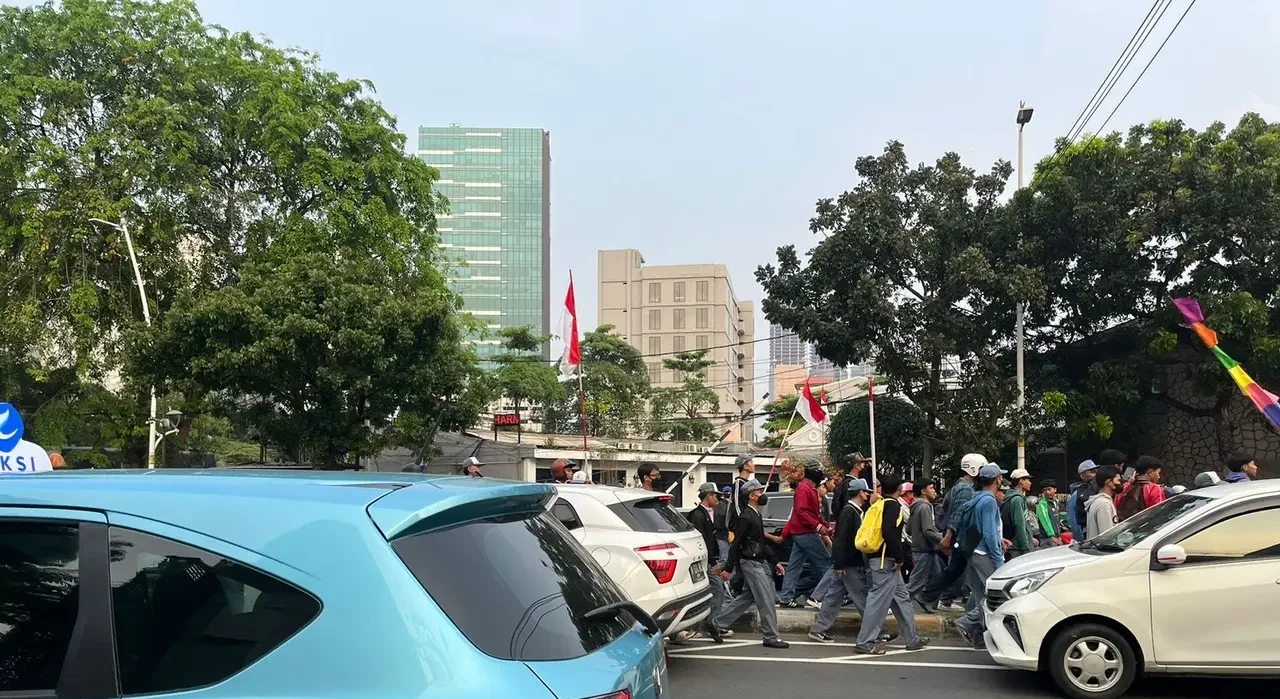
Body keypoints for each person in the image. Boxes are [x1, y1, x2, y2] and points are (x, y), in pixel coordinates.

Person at [853, 473, 929, 655]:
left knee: (902, 599)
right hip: (886, 561)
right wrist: (899, 558)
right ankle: (865, 641)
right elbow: (889, 532)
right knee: (877, 603)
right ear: (900, 489)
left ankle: (912, 638)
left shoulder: (878, 504)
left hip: (880, 559)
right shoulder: (892, 505)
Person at [715, 480, 789, 649]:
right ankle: (770, 636)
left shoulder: (755, 514)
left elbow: (760, 542)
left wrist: (774, 560)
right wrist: (728, 568)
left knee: (747, 598)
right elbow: (737, 543)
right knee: (766, 599)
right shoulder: (747, 516)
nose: (763, 494)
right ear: (752, 495)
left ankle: (717, 624)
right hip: (750, 563)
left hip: (757, 561)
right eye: (759, 491)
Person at [918, 452, 985, 613]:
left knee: (955, 571)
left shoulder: (963, 486)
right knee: (957, 572)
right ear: (974, 469)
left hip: (959, 537)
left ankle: (928, 597)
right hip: (960, 537)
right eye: (981, 468)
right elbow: (958, 514)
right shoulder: (965, 488)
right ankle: (929, 597)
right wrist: (948, 537)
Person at [809, 478, 873, 642]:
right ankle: (876, 633)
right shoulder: (849, 512)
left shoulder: (855, 511)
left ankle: (818, 629)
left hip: (847, 563)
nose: (869, 495)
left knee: (833, 598)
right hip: (849, 563)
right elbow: (840, 539)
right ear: (860, 493)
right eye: (867, 492)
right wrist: (839, 562)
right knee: (862, 598)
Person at [953, 463, 1008, 649]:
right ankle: (968, 622)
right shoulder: (989, 501)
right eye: (1001, 477)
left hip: (973, 551)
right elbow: (989, 533)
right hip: (984, 553)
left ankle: (979, 635)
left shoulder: (977, 498)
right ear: (997, 480)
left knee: (978, 594)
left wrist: (1000, 540)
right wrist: (998, 558)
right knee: (995, 595)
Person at [778, 463, 832, 608]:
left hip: (802, 532)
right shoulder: (804, 488)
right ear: (814, 473)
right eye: (820, 471)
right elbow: (802, 512)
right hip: (805, 532)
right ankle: (819, 597)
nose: (822, 474)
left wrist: (825, 526)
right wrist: (819, 526)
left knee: (795, 567)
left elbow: (812, 514)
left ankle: (785, 597)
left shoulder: (808, 488)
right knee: (827, 563)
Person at [687, 483, 726, 643]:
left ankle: (708, 623)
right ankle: (708, 623)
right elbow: (701, 542)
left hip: (706, 560)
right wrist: (712, 562)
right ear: (709, 496)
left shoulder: (707, 513)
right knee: (715, 589)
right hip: (702, 561)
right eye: (716, 496)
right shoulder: (698, 515)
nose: (718, 499)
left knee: (713, 590)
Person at [906, 479, 943, 602]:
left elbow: (909, 529)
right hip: (924, 549)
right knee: (916, 582)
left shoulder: (915, 506)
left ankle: (926, 601)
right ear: (923, 491)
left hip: (921, 549)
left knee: (936, 577)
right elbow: (928, 531)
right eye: (931, 488)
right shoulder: (925, 506)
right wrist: (942, 538)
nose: (934, 491)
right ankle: (897, 603)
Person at [1115, 456, 1165, 522]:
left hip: (1125, 528)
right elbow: (1159, 514)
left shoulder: (1125, 487)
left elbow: (1115, 508)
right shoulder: (1154, 488)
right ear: (1150, 472)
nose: (1159, 477)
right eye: (1158, 472)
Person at [1002, 469, 1038, 560]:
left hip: (1015, 546)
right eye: (1028, 480)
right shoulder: (1017, 499)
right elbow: (1020, 525)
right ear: (1021, 481)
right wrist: (1026, 547)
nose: (1030, 483)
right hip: (1018, 548)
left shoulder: (1011, 497)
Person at [833, 452, 872, 519]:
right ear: (857, 466)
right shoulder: (850, 484)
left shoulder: (845, 482)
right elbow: (849, 509)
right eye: (863, 464)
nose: (865, 466)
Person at [1087, 465, 1123, 538]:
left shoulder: (1100, 501)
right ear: (1109, 482)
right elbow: (1107, 536)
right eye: (1118, 480)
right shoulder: (1104, 503)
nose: (1120, 483)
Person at [1066, 460, 1096, 542]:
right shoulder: (1077, 494)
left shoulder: (1096, 490)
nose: (1096, 474)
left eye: (1096, 471)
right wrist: (1080, 540)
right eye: (1092, 471)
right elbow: (1073, 520)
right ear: (1082, 476)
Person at [1036, 479, 1062, 547]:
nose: (1047, 492)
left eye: (1049, 489)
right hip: (1047, 539)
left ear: (1055, 490)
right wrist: (1052, 536)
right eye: (1044, 490)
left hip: (1057, 537)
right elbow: (1045, 521)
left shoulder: (1056, 502)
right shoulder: (1042, 504)